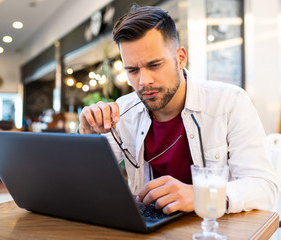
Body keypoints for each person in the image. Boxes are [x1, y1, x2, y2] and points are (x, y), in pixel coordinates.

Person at [78, 5, 278, 215]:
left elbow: (264, 188)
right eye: (132, 70)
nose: (143, 82)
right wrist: (86, 138)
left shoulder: (229, 102)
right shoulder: (123, 111)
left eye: (154, 65)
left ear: (180, 58)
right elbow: (82, 181)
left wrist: (202, 195)